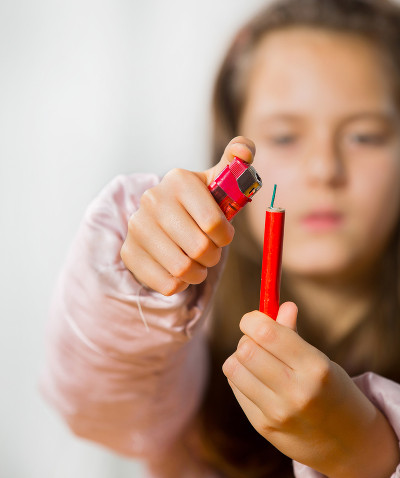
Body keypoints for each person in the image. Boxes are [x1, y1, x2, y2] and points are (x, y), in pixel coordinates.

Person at [40, 0, 400, 476]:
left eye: (364, 136)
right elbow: (99, 412)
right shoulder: (186, 335)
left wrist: (374, 454)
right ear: (232, 151)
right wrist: (137, 288)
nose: (323, 170)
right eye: (286, 137)